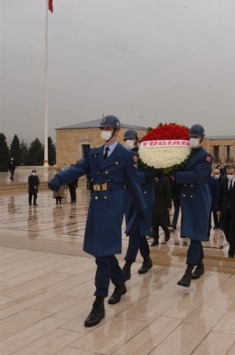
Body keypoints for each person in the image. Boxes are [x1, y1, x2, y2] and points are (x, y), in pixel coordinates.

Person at [47, 115, 146, 328]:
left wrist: (142, 211)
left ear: (116, 131)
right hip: (96, 204)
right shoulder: (94, 154)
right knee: (101, 250)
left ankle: (98, 302)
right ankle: (119, 283)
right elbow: (78, 168)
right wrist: (59, 179)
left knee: (102, 255)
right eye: (103, 127)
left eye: (108, 127)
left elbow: (134, 184)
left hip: (114, 204)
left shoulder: (125, 155)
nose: (105, 130)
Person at [171, 124, 213, 287]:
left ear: (202, 138)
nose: (193, 140)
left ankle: (188, 272)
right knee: (192, 234)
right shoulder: (185, 155)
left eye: (195, 137)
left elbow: (196, 176)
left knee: (196, 236)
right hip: (187, 198)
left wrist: (176, 175)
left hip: (199, 198)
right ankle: (200, 266)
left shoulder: (206, 157)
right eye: (191, 137)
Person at [121, 129, 154, 280]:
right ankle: (147, 260)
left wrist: (135, 176)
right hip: (130, 199)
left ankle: (127, 266)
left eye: (130, 138)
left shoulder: (145, 155)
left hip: (143, 197)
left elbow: (155, 174)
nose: (128, 141)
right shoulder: (124, 155)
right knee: (138, 233)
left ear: (136, 139)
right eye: (126, 139)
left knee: (135, 231)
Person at [150, 174, 172, 246]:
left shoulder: (165, 180)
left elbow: (168, 193)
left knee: (163, 223)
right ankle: (155, 240)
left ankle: (167, 232)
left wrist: (169, 205)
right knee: (154, 223)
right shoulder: (151, 180)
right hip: (153, 203)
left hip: (162, 204)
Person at [208, 168, 221, 233]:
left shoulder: (215, 181)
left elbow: (217, 193)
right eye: (216, 173)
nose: (217, 175)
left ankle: (218, 224)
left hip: (214, 201)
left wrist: (217, 203)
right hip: (208, 201)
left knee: (216, 214)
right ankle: (208, 226)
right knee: (208, 216)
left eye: (218, 173)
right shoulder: (205, 181)